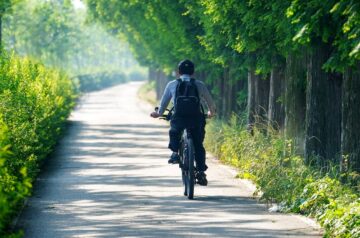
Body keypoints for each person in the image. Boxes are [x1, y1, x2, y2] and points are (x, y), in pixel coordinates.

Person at [150, 59, 216, 186]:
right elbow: (210, 103)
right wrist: (211, 113)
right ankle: (201, 171)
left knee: (174, 131)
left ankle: (175, 153)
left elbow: (164, 103)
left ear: (178, 72)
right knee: (198, 145)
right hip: (196, 118)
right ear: (193, 72)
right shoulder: (199, 84)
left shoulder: (172, 84)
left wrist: (158, 113)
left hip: (179, 117)